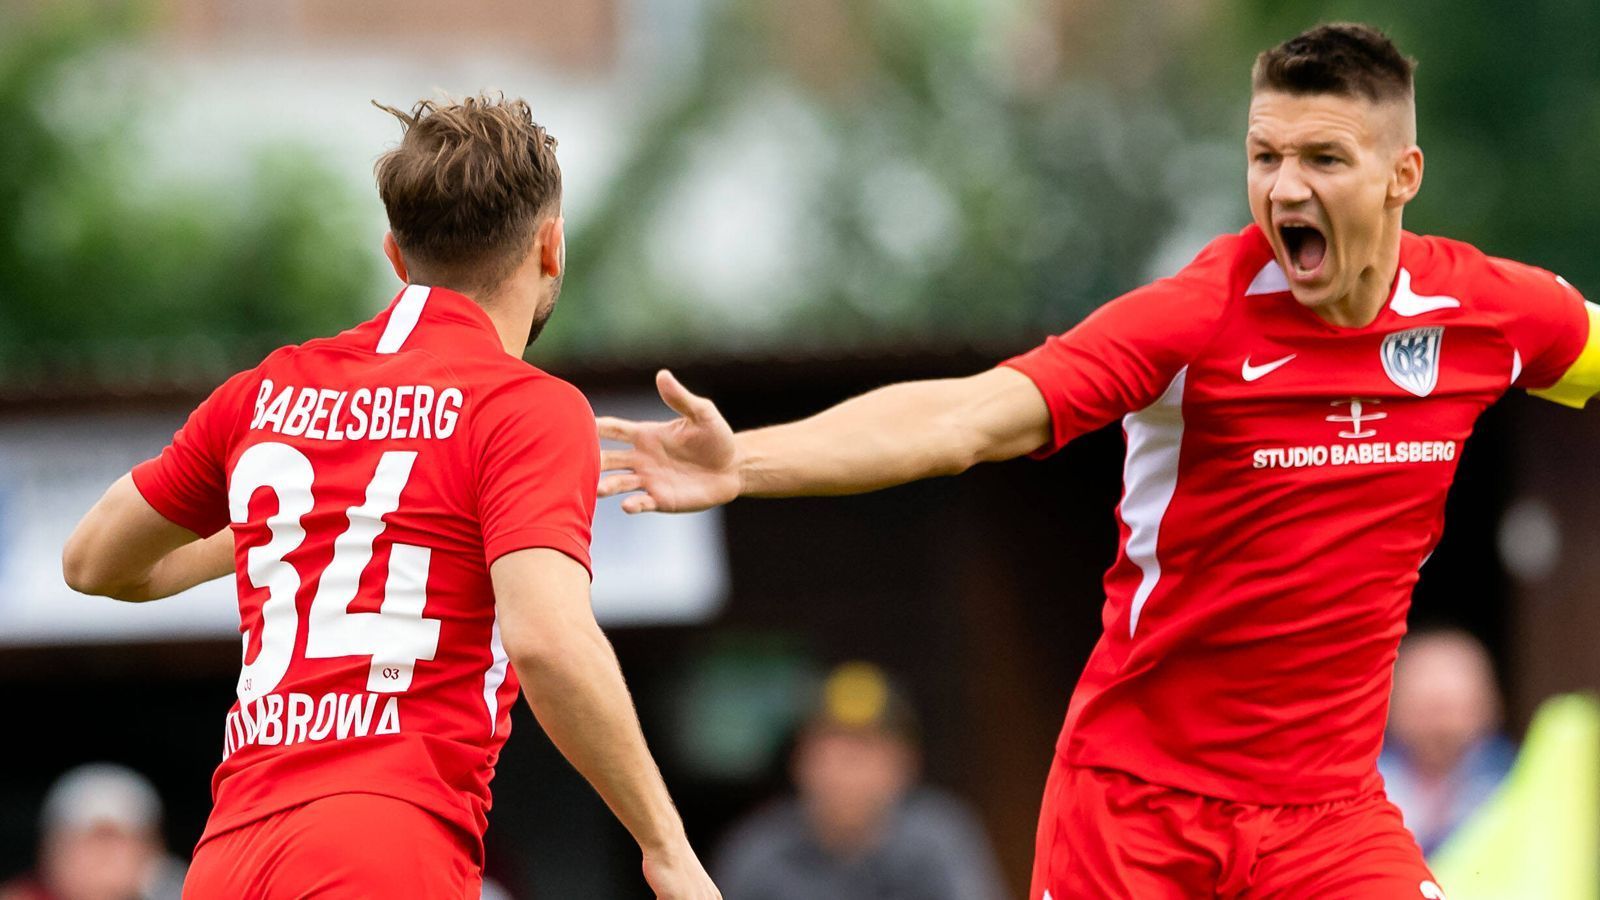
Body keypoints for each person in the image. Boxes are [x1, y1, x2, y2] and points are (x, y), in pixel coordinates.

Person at [595, 23, 1600, 899]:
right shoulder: (1195, 320)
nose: (1284, 187)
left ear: (1401, 176)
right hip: (1136, 813)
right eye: (1263, 156)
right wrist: (748, 462)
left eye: (1323, 159)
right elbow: (968, 417)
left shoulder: (1494, 315)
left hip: (1325, 816)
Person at [61, 95, 718, 900]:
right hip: (385, 846)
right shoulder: (526, 406)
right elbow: (548, 639)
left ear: (395, 255)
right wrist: (666, 846)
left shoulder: (269, 390)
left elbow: (93, 562)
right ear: (552, 247)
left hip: (230, 856)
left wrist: (284, 534)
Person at [714, 662, 1006, 900]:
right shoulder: (759, 851)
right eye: (832, 749)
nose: (847, 770)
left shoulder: (941, 839)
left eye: (865, 749)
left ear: (905, 764)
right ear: (800, 760)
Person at [1379, 628, 1517, 856]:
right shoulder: (1360, 785)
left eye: (1450, 707)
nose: (1438, 726)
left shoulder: (1519, 779)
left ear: (1490, 706)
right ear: (1390, 707)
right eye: (1424, 708)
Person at [0, 764, 186, 900]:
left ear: (154, 849)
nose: (103, 858)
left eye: (117, 841)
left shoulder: (180, 891)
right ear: (50, 850)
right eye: (90, 841)